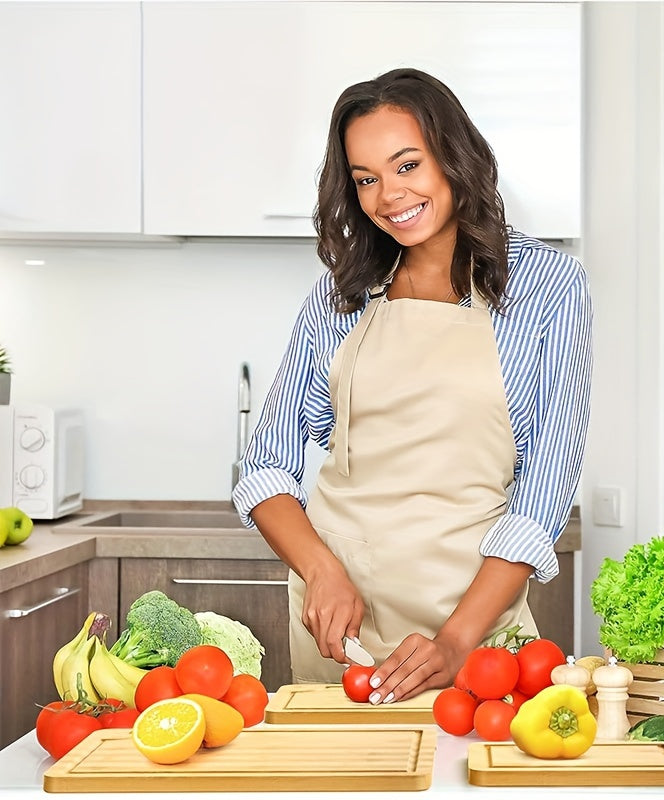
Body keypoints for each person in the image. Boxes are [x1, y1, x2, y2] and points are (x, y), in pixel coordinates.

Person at [233, 67, 592, 705]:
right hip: (340, 632)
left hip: (473, 622)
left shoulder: (548, 286)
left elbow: (543, 495)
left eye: (407, 165)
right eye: (366, 179)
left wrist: (456, 643)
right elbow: (265, 467)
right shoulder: (340, 298)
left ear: (455, 156)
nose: (388, 195)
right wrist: (320, 572)